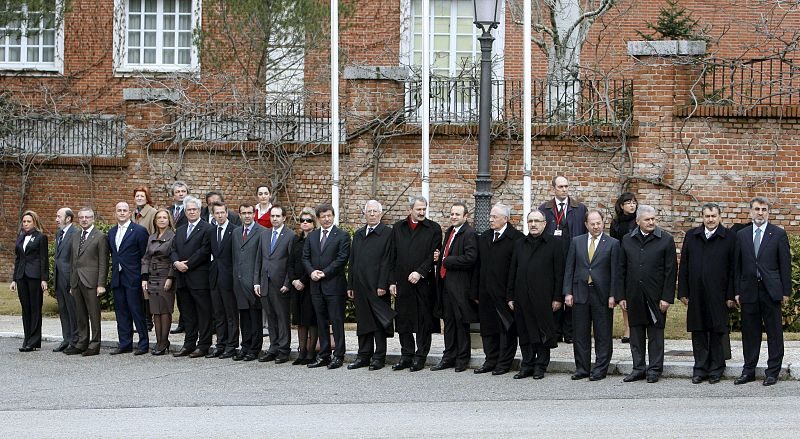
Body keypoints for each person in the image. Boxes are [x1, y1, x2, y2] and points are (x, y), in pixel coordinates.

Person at [733, 196, 791, 387]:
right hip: (749, 289)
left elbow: (785, 265)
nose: (760, 213)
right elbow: (737, 266)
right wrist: (736, 290)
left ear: (768, 212)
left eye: (764, 209)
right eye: (757, 209)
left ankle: (772, 371)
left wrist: (785, 292)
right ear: (750, 211)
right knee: (750, 333)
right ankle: (748, 370)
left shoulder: (778, 234)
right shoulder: (741, 235)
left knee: (774, 332)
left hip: (771, 290)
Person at [678, 203, 736, 384]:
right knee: (699, 330)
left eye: (713, 216)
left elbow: (734, 268)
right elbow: (684, 265)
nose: (710, 220)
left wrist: (731, 295)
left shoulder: (729, 237)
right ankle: (700, 368)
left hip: (719, 293)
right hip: (696, 291)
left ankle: (716, 368)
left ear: (720, 217)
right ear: (702, 217)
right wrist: (683, 291)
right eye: (707, 216)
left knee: (717, 330)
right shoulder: (692, 236)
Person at [619, 204, 677, 384]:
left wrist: (667, 297)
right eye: (647, 219)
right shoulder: (627, 240)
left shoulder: (666, 240)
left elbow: (670, 271)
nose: (652, 222)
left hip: (656, 296)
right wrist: (621, 296)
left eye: (653, 219)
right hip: (634, 295)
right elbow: (621, 269)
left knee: (655, 335)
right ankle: (638, 368)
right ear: (638, 222)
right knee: (635, 334)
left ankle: (654, 369)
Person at [563, 210, 620, 381]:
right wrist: (567, 292)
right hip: (580, 292)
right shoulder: (577, 242)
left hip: (602, 294)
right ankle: (582, 368)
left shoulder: (613, 243)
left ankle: (600, 369)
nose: (596, 226)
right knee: (580, 333)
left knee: (603, 334)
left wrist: (613, 295)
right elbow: (569, 268)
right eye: (592, 223)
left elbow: (615, 272)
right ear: (586, 224)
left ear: (603, 223)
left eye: (598, 223)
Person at [507, 210, 564, 380]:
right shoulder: (519, 244)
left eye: (537, 221)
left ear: (544, 224)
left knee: (542, 332)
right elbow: (513, 271)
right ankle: (527, 365)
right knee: (524, 332)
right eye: (530, 221)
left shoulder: (554, 243)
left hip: (544, 297)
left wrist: (557, 297)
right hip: (522, 296)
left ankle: (541, 366)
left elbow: (559, 273)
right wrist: (510, 295)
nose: (533, 224)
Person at [389, 196, 442, 372]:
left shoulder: (433, 228)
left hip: (423, 283)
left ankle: (420, 357)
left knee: (423, 322)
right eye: (418, 209)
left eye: (424, 209)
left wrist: (420, 272)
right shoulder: (398, 228)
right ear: (410, 209)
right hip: (402, 283)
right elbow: (392, 256)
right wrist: (391, 281)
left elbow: (434, 254)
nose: (421, 212)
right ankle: (406, 356)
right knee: (403, 321)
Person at [474, 203, 524, 376]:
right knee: (488, 329)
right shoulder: (485, 237)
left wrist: (513, 294)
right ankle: (490, 360)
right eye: (490, 216)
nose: (490, 220)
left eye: (494, 217)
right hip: (485, 292)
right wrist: (476, 291)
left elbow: (517, 269)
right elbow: (478, 266)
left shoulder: (516, 238)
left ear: (506, 219)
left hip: (505, 293)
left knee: (506, 329)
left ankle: (504, 363)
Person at [538, 175, 587, 344]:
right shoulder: (544, 208)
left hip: (573, 254)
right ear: (554, 188)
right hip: (552, 256)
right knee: (555, 291)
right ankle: (556, 330)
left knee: (571, 293)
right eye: (561, 187)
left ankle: (570, 331)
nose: (564, 189)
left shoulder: (579, 208)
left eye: (566, 186)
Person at [347, 200, 394, 371]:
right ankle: (363, 355)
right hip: (360, 285)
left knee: (379, 322)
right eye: (369, 211)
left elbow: (388, 261)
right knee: (363, 323)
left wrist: (383, 284)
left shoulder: (388, 233)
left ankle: (379, 357)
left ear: (381, 214)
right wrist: (350, 284)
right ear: (365, 213)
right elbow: (353, 261)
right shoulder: (359, 234)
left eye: (375, 211)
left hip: (377, 287)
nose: (372, 214)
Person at [431, 202, 478, 373]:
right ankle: (448, 356)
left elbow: (470, 258)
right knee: (448, 323)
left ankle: (462, 358)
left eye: (457, 214)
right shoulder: (449, 232)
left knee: (460, 322)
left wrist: (447, 260)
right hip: (445, 285)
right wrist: (440, 256)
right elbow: (445, 255)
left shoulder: (470, 233)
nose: (453, 217)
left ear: (465, 216)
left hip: (460, 287)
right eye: (452, 214)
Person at [303, 203, 351, 369]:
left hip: (334, 286)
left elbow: (342, 258)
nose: (326, 219)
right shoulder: (312, 236)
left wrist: (324, 272)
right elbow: (305, 258)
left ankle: (338, 355)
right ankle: (324, 354)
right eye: (323, 216)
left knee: (336, 321)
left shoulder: (342, 236)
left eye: (329, 215)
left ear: (333, 216)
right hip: (316, 286)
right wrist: (311, 272)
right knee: (321, 321)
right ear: (318, 218)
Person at [170, 196, 213, 358]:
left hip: (199, 278)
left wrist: (187, 264)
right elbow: (173, 249)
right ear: (185, 212)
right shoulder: (180, 229)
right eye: (189, 210)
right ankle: (189, 343)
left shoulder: (207, 228)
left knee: (203, 313)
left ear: (200, 211)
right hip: (182, 278)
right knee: (187, 314)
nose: (192, 212)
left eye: (194, 209)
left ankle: (203, 345)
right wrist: (176, 263)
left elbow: (204, 250)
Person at [65, 207, 109, 357]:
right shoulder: (76, 236)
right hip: (77, 281)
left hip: (92, 282)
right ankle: (82, 343)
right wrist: (72, 283)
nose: (84, 219)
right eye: (82, 217)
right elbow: (73, 261)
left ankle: (95, 344)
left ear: (93, 219)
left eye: (87, 217)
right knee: (80, 314)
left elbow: (104, 262)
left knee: (94, 315)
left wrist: (101, 284)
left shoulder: (100, 236)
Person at [255, 204, 296, 364]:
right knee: (270, 317)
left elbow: (291, 263)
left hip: (281, 284)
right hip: (265, 282)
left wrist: (288, 282)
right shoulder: (264, 235)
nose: (275, 219)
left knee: (282, 318)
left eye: (278, 216)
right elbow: (259, 259)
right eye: (272, 216)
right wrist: (256, 281)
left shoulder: (290, 235)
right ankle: (273, 347)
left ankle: (284, 350)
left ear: (284, 218)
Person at [108, 201, 150, 355]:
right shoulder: (112, 232)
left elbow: (144, 256)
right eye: (119, 210)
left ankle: (143, 343)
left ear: (129, 212)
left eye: (125, 210)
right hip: (118, 278)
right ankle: (125, 343)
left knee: (137, 311)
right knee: (121, 312)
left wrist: (143, 277)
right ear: (115, 213)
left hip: (133, 278)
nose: (122, 213)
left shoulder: (139, 231)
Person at [10, 210, 49, 352]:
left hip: (35, 276)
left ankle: (34, 340)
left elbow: (44, 259)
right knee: (25, 308)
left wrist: (44, 278)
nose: (25, 224)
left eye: (28, 221)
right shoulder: (20, 237)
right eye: (24, 221)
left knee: (35, 308)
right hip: (21, 276)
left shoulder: (40, 237)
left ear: (34, 222)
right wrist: (14, 279)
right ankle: (27, 338)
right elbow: (18, 258)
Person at [141, 209, 176, 355]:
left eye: (164, 218)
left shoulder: (173, 236)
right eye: (159, 218)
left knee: (165, 309)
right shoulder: (151, 237)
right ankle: (159, 341)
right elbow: (146, 258)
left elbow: (174, 258)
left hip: (165, 275)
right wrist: (144, 277)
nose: (162, 220)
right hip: (152, 277)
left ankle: (164, 341)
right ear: (155, 221)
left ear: (169, 220)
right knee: (155, 310)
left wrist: (170, 277)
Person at [232, 203, 264, 361]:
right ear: (239, 214)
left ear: (254, 213)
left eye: (249, 212)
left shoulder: (262, 232)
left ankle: (254, 348)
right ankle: (244, 346)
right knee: (243, 317)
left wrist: (257, 281)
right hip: (238, 282)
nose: (246, 216)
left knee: (254, 317)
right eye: (243, 213)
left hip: (253, 282)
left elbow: (261, 260)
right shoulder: (236, 232)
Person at [206, 201, 239, 359]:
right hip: (214, 277)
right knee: (218, 313)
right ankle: (220, 344)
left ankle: (231, 345)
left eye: (222, 212)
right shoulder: (211, 232)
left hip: (229, 278)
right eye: (216, 213)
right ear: (213, 215)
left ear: (227, 213)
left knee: (230, 313)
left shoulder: (235, 231)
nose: (219, 215)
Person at [289, 208, 318, 365]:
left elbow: (313, 263)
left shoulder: (316, 239)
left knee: (311, 320)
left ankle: (311, 352)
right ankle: (301, 351)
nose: (305, 223)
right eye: (302, 220)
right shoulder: (296, 240)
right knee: (300, 320)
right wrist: (293, 280)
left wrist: (303, 281)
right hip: (296, 286)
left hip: (310, 285)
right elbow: (291, 262)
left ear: (314, 222)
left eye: (308, 220)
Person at [610, 192, 638, 344]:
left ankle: (636, 327)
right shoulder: (616, 223)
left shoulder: (639, 220)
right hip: (622, 261)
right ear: (621, 205)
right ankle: (627, 328)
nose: (632, 205)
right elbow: (614, 243)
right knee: (624, 296)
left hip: (637, 260)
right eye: (628, 202)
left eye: (634, 202)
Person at [53, 207, 78, 352]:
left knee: (72, 310)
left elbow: (76, 259)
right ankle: (66, 338)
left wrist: (73, 281)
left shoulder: (75, 234)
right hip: (59, 278)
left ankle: (75, 340)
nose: (56, 219)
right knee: (63, 309)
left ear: (68, 218)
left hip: (70, 279)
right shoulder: (59, 234)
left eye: (59, 216)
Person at [133, 186, 156, 332]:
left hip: (147, 255)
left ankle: (148, 321)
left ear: (147, 198)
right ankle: (141, 320)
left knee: (146, 288)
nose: (139, 198)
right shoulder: (134, 213)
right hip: (135, 256)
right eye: (137, 196)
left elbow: (154, 233)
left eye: (142, 196)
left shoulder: (152, 212)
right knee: (139, 290)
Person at [168, 180, 189, 335]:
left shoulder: (192, 210)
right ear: (173, 195)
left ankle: (187, 321)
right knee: (178, 293)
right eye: (178, 192)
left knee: (187, 290)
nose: (181, 194)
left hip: (185, 254)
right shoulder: (168, 211)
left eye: (183, 191)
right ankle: (181, 322)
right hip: (171, 252)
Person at [254, 185, 273, 336]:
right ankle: (259, 322)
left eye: (266, 193)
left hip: (268, 248)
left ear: (270, 195)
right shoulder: (253, 211)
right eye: (260, 194)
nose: (263, 196)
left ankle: (267, 323)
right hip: (255, 248)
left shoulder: (273, 211)